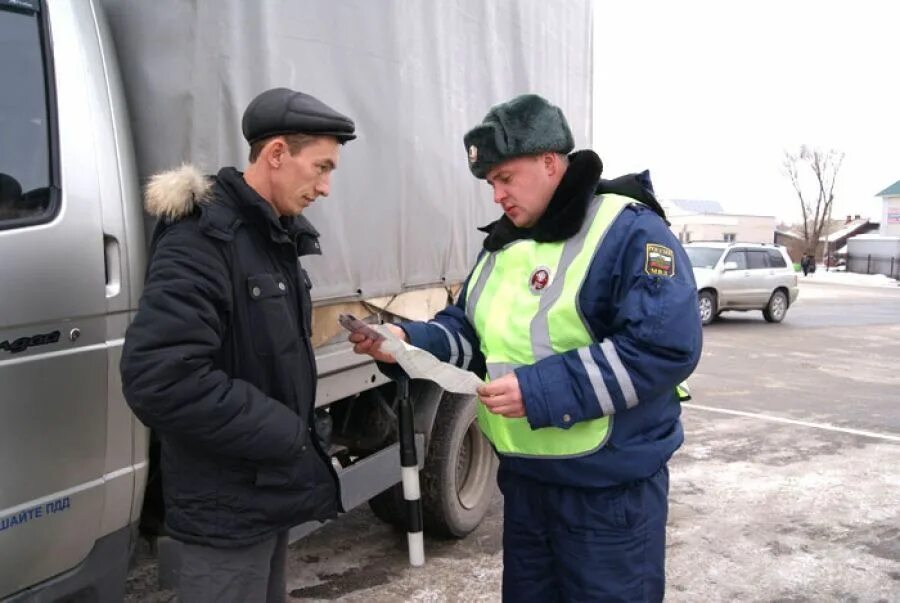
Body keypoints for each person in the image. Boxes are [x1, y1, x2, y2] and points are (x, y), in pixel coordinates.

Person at [352, 94, 702, 602]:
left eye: (505, 178)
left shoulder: (627, 230)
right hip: (526, 487)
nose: (496, 195)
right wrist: (410, 342)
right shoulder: (504, 246)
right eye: (491, 182)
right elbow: (470, 334)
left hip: (607, 494)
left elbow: (663, 348)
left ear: (550, 162)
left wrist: (539, 390)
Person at [120, 87, 356, 603]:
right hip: (224, 511)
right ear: (276, 154)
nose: (326, 187)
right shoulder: (203, 239)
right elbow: (160, 377)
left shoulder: (271, 236)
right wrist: (285, 433)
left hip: (263, 495)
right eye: (320, 167)